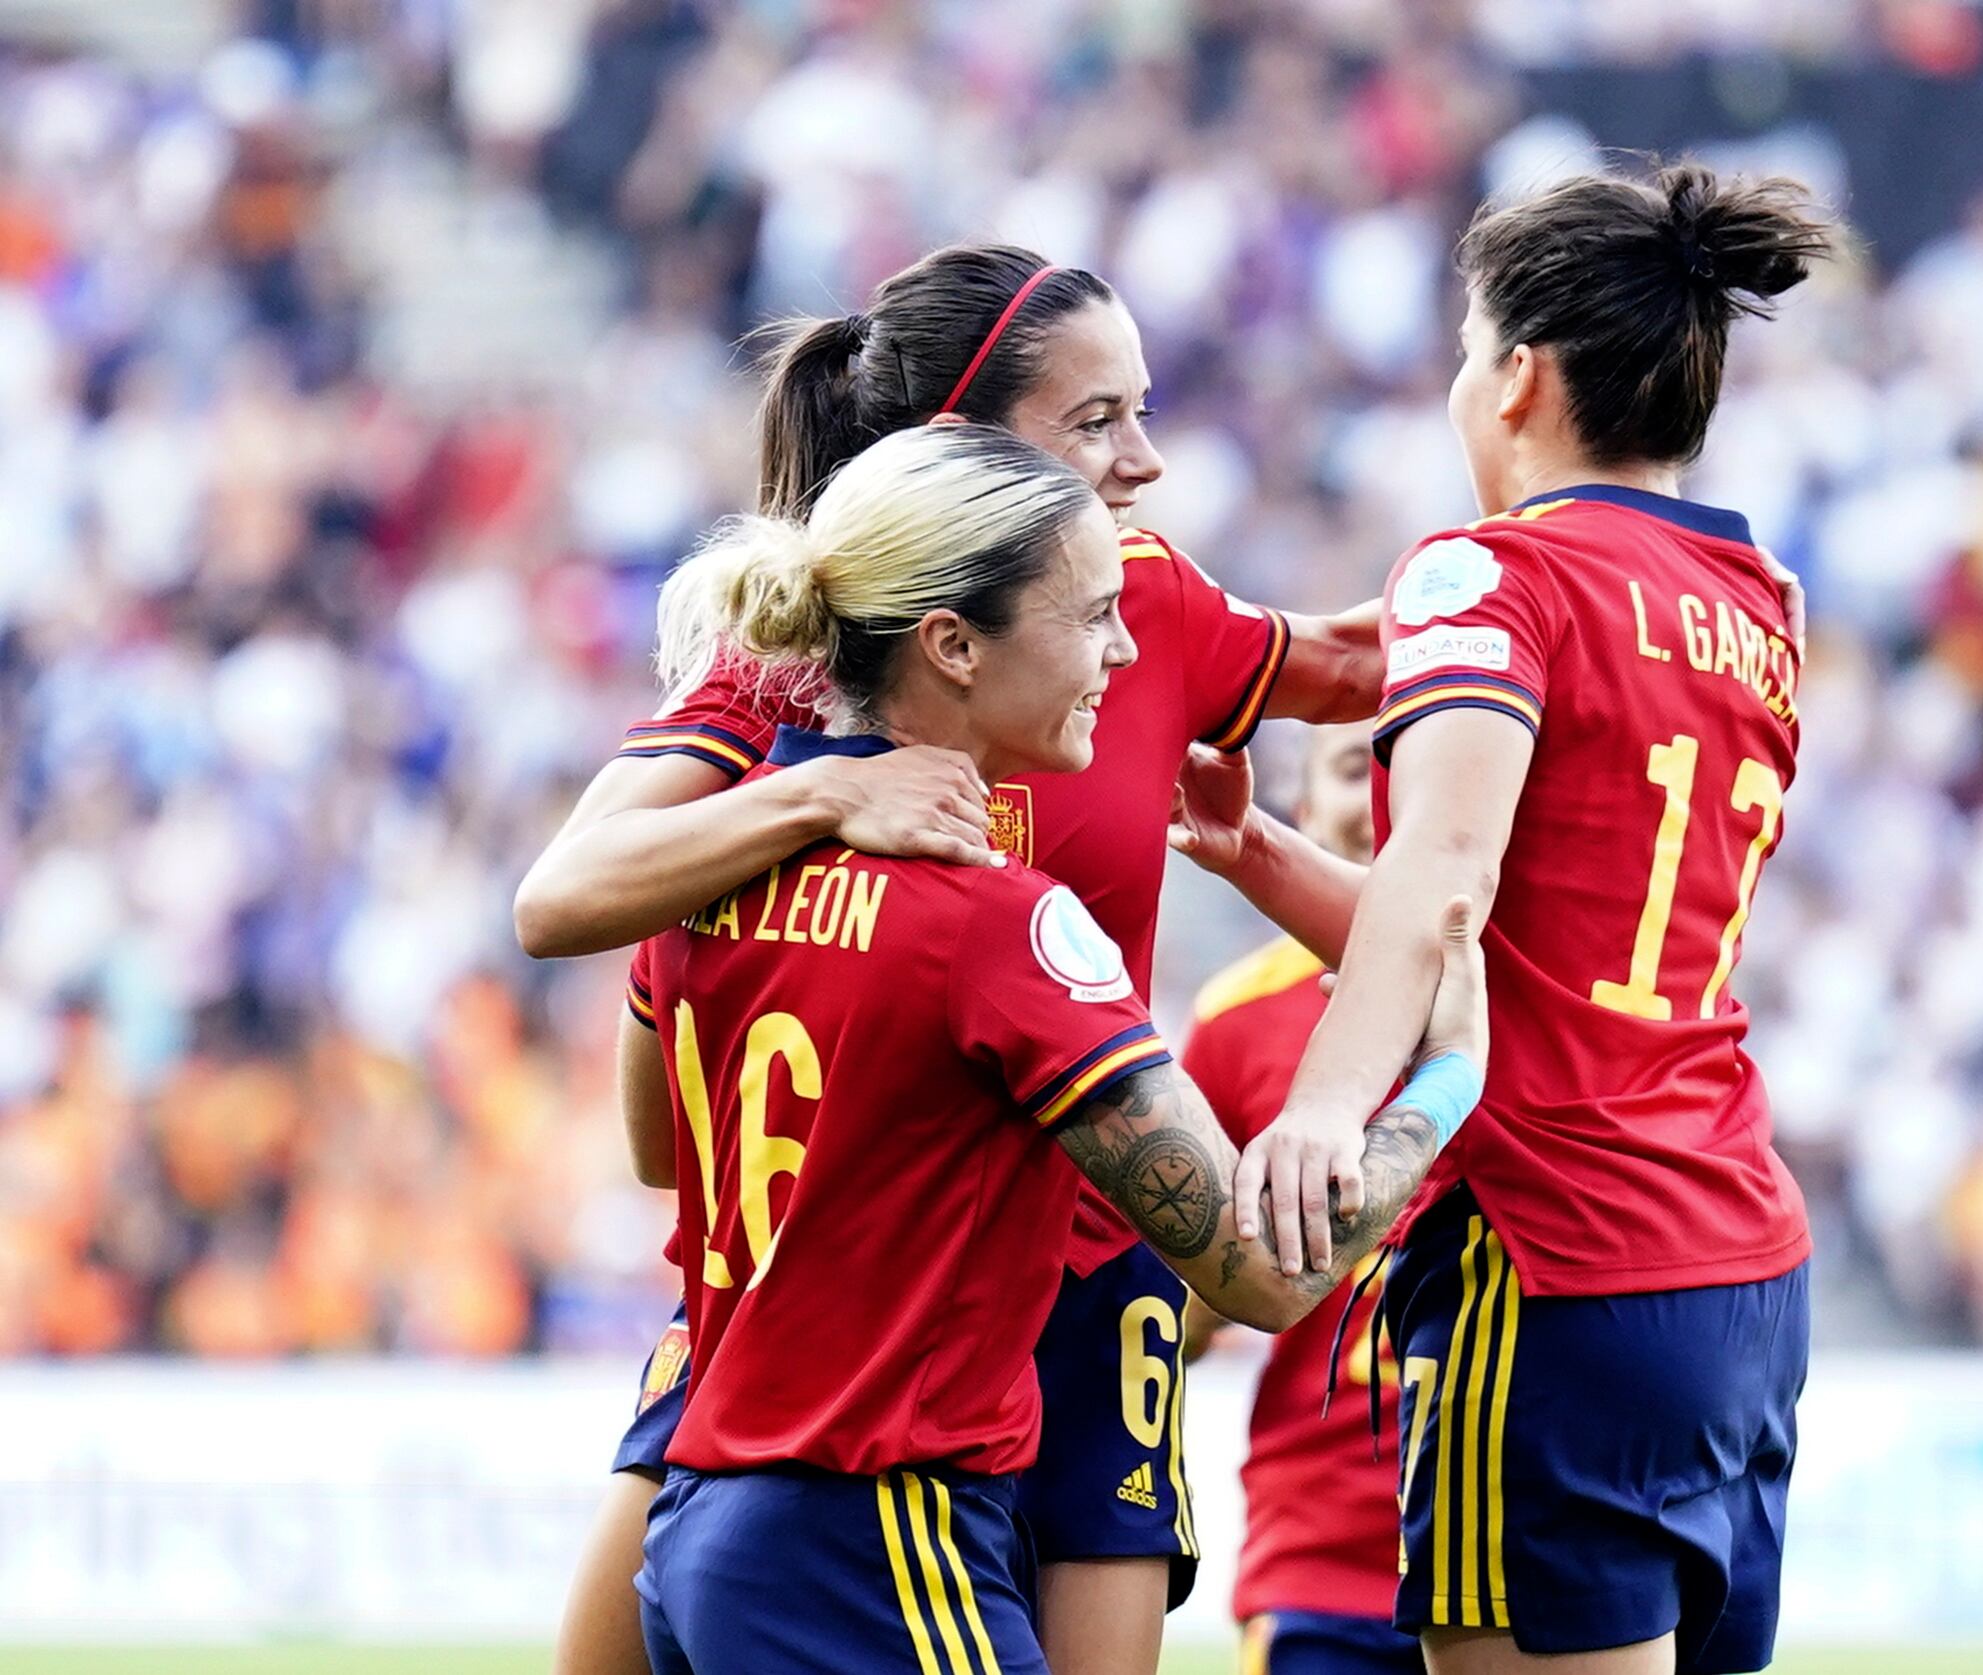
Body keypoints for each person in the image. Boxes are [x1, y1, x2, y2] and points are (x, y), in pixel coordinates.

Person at [534, 245, 1386, 1675]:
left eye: (1145, 410)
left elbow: (1371, 664)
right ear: (955, 449)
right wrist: (821, 793)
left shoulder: (1141, 603)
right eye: (1096, 419)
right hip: (843, 1296)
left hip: (1094, 1250)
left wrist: (1591, 580)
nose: (1147, 462)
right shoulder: (794, 662)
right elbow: (565, 901)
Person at [1184, 160, 1833, 1673]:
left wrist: (1324, 1107)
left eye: (1467, 358)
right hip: (1733, 1261)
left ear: (1520, 375)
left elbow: (1447, 878)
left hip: (1549, 1255)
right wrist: (1267, 852)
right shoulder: (1762, 600)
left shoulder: (1488, 573)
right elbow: (1537, 931)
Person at [1181, 722, 1421, 1675]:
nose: (1396, 799)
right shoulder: (1234, 1021)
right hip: (1324, 1563)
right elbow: (1164, 1305)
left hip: (1524, 1546)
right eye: (1359, 769)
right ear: (1306, 810)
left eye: (1421, 772)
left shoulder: (1538, 1003)